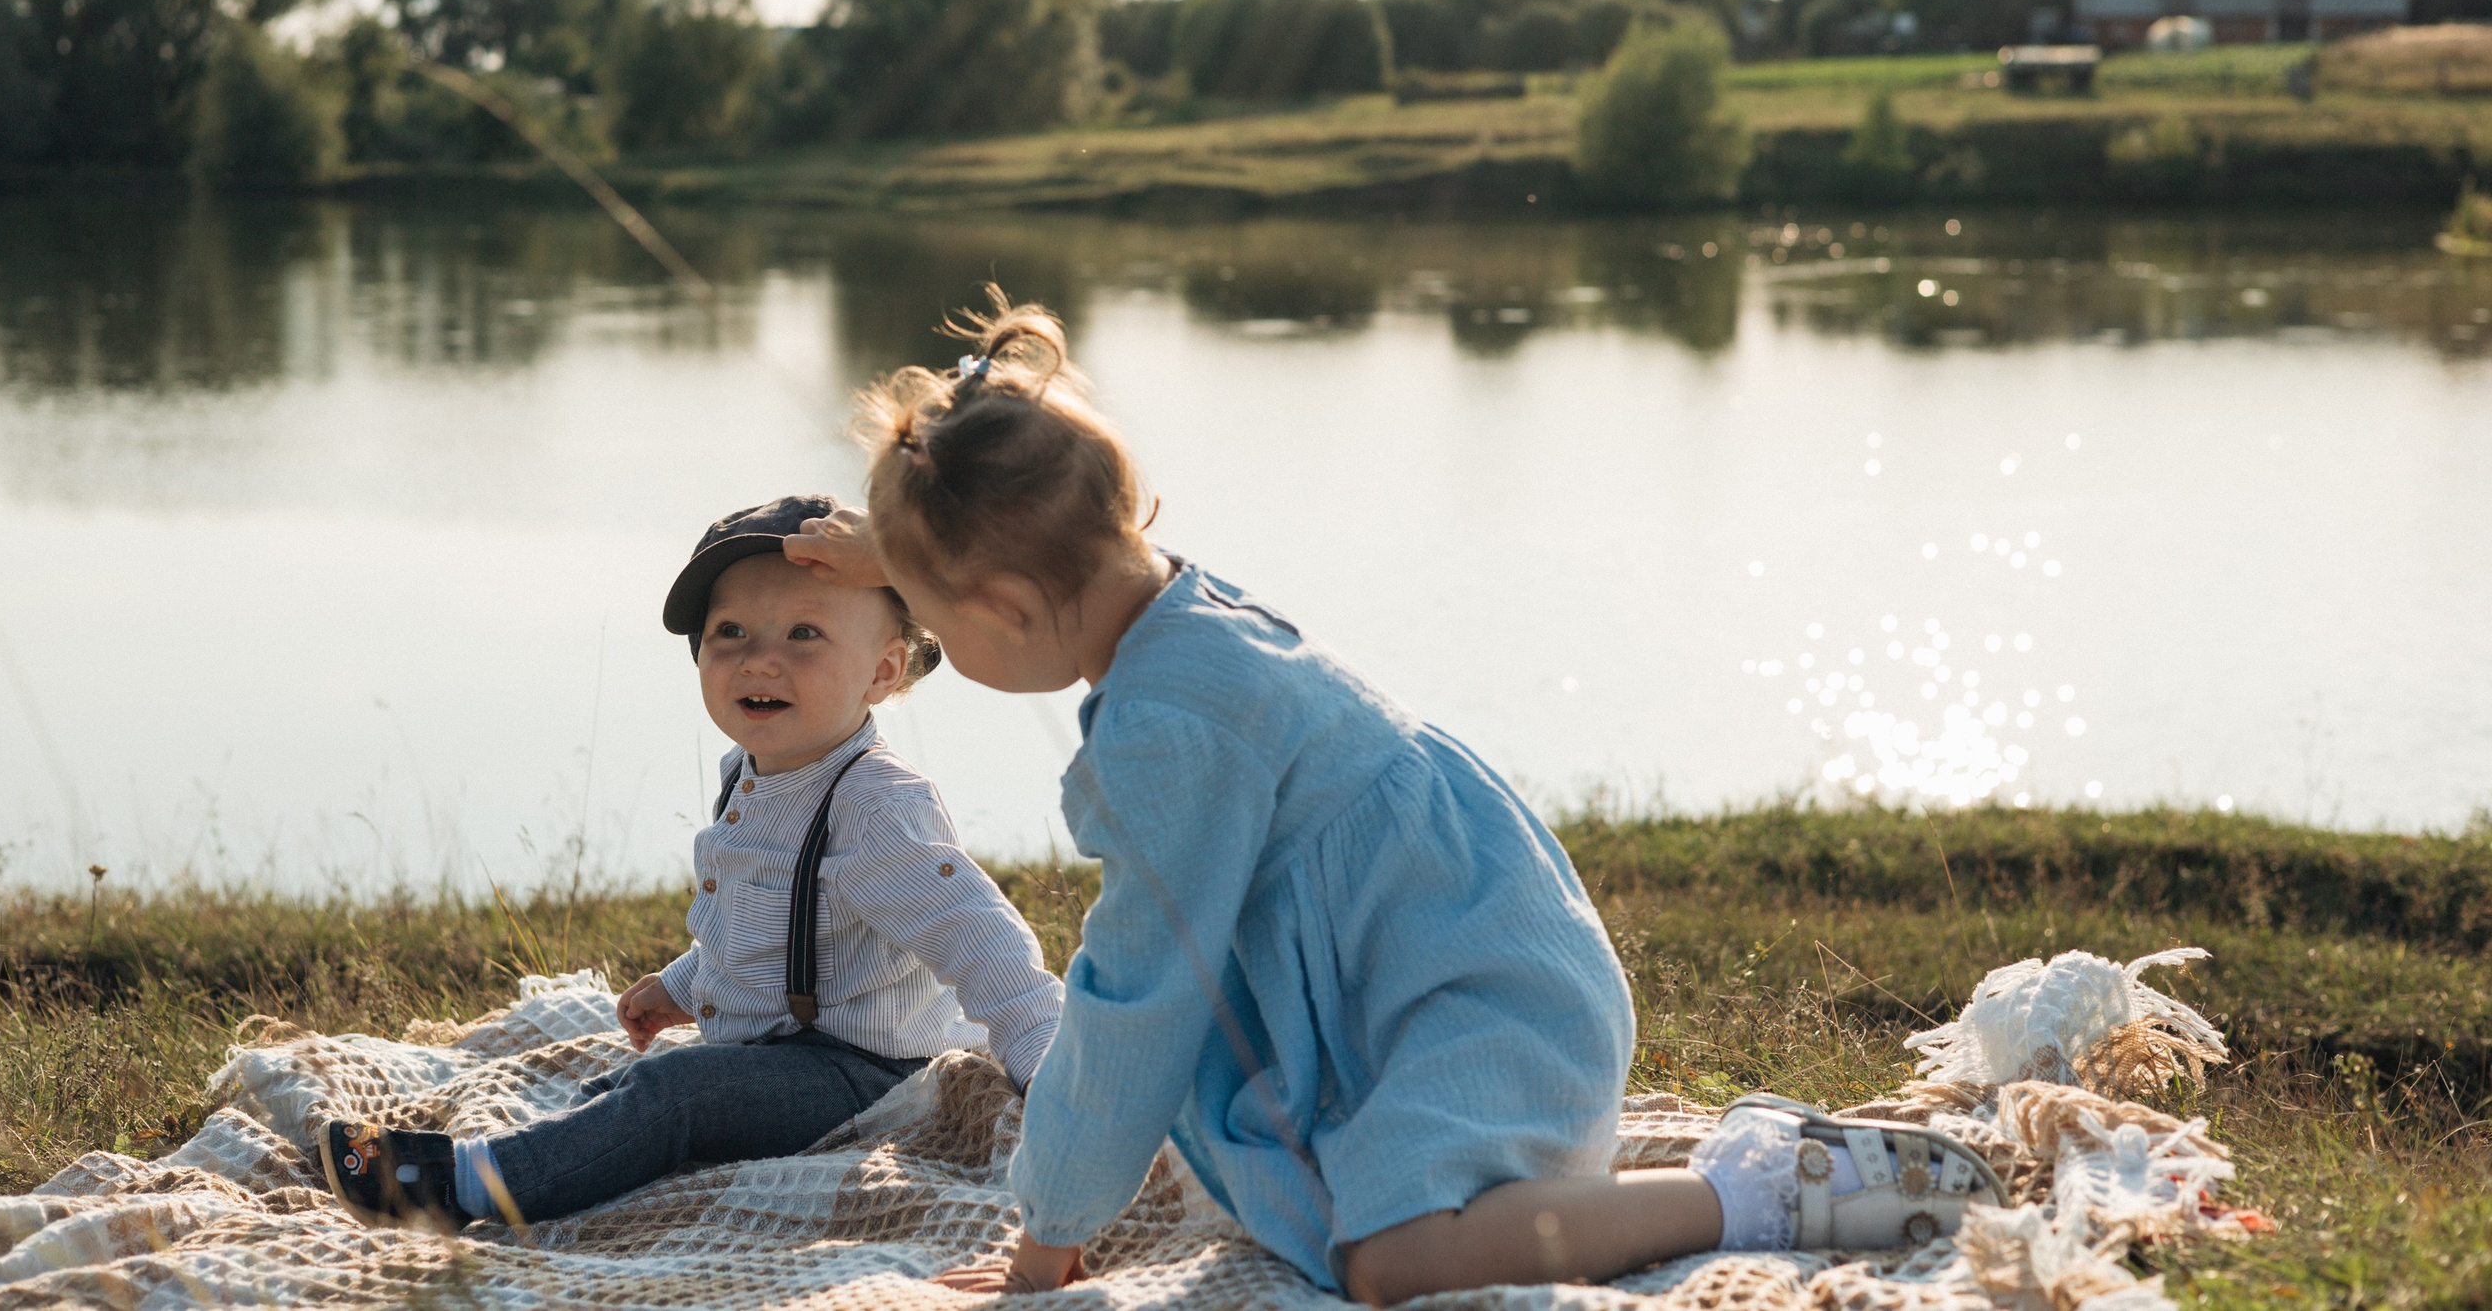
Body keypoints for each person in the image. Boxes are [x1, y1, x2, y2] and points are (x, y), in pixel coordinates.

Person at [781, 296, 2000, 1303]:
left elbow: (1136, 993)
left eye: (937, 626)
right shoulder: (1165, 599)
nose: (940, 649)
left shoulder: (1167, 736)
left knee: (1387, 1265)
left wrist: (1049, 1234)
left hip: (1477, 1008)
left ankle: (1768, 1192)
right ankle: (1735, 1173)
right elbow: (1043, 538)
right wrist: (897, 556)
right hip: (1475, 958)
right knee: (1349, 1216)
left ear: (997, 607)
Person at [321, 495, 1065, 1231]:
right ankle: (561, 1147)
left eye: (804, 632)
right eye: (729, 631)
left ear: (882, 671)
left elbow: (981, 937)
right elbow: (759, 923)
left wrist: (1053, 1067)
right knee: (635, 1088)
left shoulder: (875, 806)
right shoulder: (749, 771)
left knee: (673, 1094)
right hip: (784, 1055)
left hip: (866, 1073)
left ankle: (456, 1188)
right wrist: (684, 983)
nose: (759, 657)